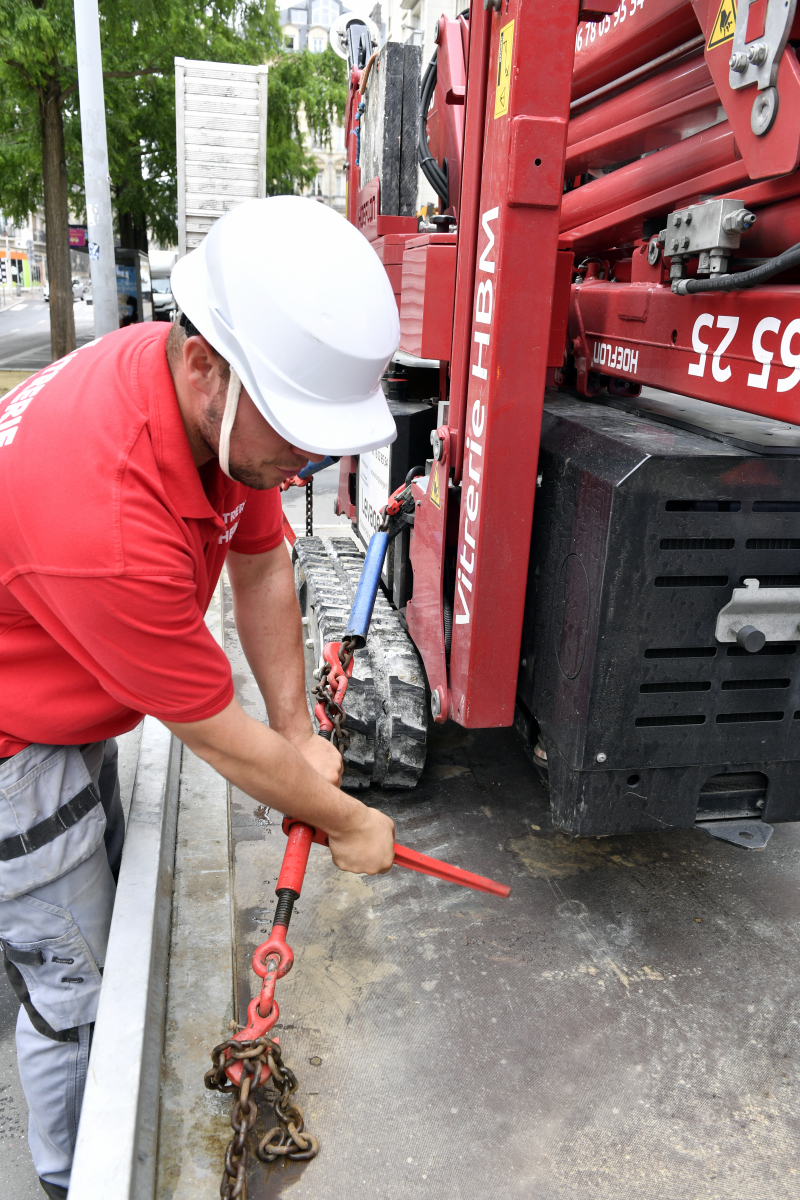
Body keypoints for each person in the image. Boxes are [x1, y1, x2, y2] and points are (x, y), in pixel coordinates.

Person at [0, 195, 400, 1199]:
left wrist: (300, 737)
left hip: (56, 680)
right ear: (203, 369)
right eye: (297, 434)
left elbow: (260, 565)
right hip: (13, 750)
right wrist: (346, 820)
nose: (304, 462)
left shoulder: (212, 401)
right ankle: (68, 1179)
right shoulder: (106, 521)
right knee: (73, 992)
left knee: (82, 930)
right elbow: (213, 738)